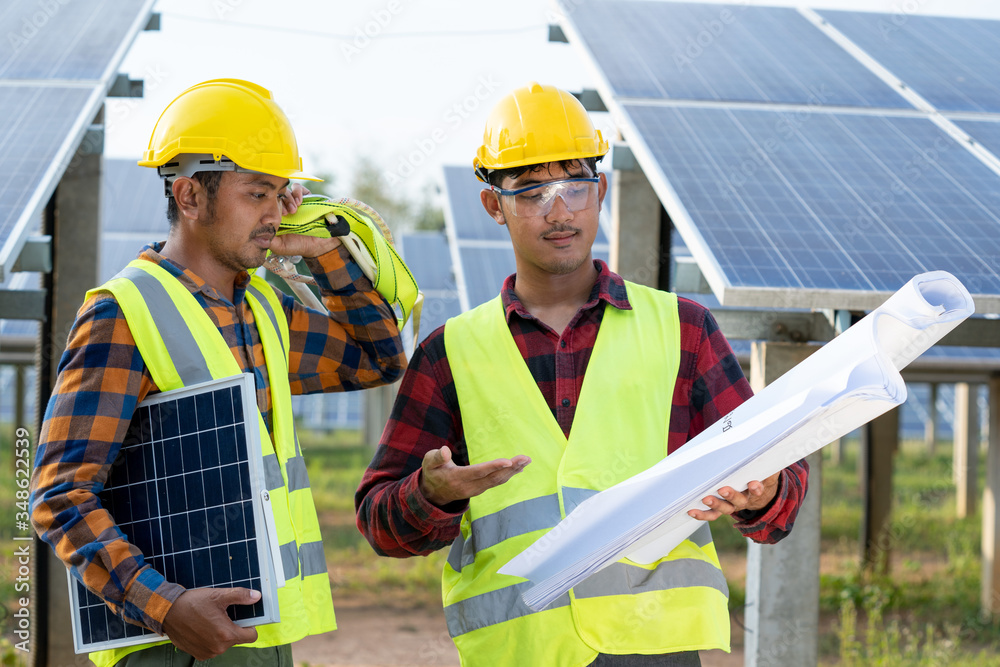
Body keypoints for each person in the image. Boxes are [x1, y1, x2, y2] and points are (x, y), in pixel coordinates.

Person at [355, 82, 809, 667]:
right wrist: (432, 495)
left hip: (657, 648)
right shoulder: (450, 354)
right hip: (519, 652)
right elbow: (379, 522)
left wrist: (763, 491)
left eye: (576, 184)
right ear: (493, 204)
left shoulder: (685, 331)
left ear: (601, 190)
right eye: (531, 190)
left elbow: (782, 491)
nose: (559, 209)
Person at [30, 79, 406, 667]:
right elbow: (60, 494)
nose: (274, 213)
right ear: (189, 196)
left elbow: (379, 358)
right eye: (257, 194)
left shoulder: (262, 310)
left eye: (283, 194)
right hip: (173, 642)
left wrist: (324, 250)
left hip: (265, 635)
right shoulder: (124, 314)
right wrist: (166, 606)